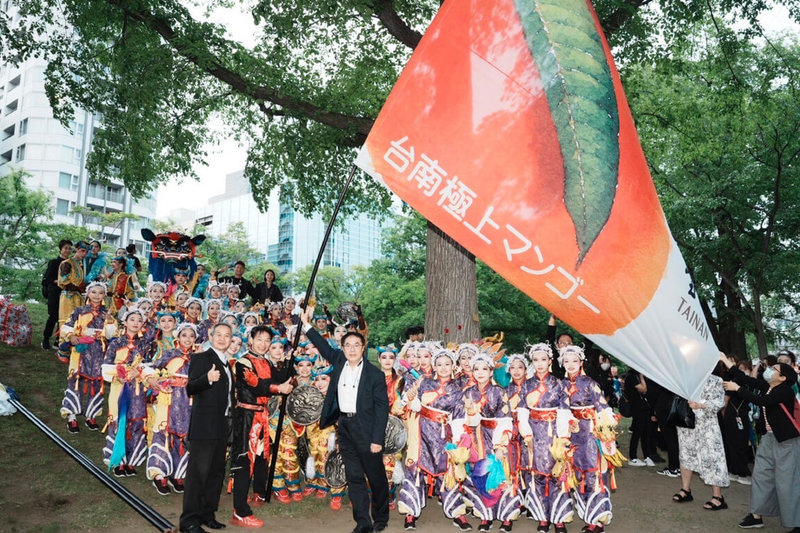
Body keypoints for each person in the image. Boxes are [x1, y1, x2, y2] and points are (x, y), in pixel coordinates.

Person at [301, 305, 390, 533]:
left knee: (376, 476)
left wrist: (377, 439)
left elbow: (382, 410)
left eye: (356, 345)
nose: (351, 349)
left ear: (363, 347)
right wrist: (307, 324)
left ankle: (380, 517)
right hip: (345, 426)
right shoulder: (338, 361)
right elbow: (322, 346)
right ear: (342, 347)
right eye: (347, 345)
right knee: (354, 476)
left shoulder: (375, 374)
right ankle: (363, 522)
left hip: (367, 429)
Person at [721, 353, 800, 532]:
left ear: (782, 377)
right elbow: (745, 379)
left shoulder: (785, 390)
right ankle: (756, 515)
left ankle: (796, 523)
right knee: (761, 476)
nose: (770, 370)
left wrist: (737, 389)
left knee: (787, 482)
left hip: (786, 442)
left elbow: (761, 400)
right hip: (768, 439)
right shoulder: (768, 386)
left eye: (775, 369)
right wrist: (726, 361)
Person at [230, 326, 293, 527]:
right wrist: (278, 388)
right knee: (244, 460)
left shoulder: (266, 361)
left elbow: (279, 378)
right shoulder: (243, 362)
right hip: (246, 416)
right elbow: (256, 384)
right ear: (251, 339)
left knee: (261, 457)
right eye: (260, 339)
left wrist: (291, 361)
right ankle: (240, 512)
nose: (264, 344)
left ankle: (258, 493)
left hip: (262, 415)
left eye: (267, 340)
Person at [179, 323, 235, 533]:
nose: (222, 338)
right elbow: (191, 386)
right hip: (204, 427)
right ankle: (189, 521)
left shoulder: (228, 363)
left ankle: (207, 514)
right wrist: (207, 379)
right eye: (218, 334)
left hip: (222, 425)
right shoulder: (202, 358)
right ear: (210, 336)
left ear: (231, 339)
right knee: (198, 474)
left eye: (227, 335)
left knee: (216, 473)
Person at [59, 281, 115, 433]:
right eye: (94, 292)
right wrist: (71, 337)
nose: (97, 296)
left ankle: (92, 415)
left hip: (99, 352)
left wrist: (109, 321)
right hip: (80, 352)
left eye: (100, 292)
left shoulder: (107, 313)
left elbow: (112, 334)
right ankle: (72, 416)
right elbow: (67, 326)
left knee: (96, 383)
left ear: (104, 295)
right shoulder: (79, 310)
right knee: (76, 380)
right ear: (88, 294)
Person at [671, 369, 729, 511]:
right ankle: (686, 490)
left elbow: (720, 403)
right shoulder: (683, 379)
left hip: (707, 426)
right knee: (686, 455)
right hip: (687, 423)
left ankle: (718, 497)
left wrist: (701, 404)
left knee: (712, 457)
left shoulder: (716, 380)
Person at [41, 239, 72, 350]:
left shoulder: (72, 263)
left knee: (64, 317)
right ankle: (45, 339)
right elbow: (46, 280)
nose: (67, 250)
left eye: (69, 248)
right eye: (65, 248)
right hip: (54, 292)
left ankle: (58, 340)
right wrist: (59, 281)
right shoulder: (54, 262)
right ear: (61, 249)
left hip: (67, 293)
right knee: (53, 316)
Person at [625, 369, 658, 467]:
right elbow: (644, 389)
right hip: (637, 408)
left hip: (644, 408)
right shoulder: (632, 376)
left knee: (645, 433)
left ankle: (647, 456)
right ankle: (633, 457)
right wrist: (642, 377)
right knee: (637, 432)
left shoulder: (636, 376)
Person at [57, 241, 90, 329]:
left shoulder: (80, 265)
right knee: (67, 320)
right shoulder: (67, 263)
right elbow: (63, 281)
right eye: (82, 251)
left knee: (78, 322)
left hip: (78, 296)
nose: (84, 254)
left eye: (86, 252)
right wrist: (79, 287)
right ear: (76, 249)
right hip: (68, 297)